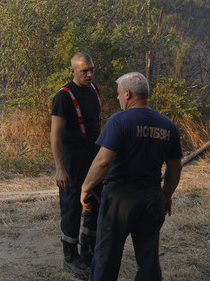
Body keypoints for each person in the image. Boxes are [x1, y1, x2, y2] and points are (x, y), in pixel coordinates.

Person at [80, 72, 183, 281]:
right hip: (152, 196)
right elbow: (175, 167)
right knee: (148, 258)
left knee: (106, 256)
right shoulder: (167, 125)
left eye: (118, 94)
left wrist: (86, 187)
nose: (118, 98)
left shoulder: (119, 120)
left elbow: (103, 162)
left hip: (120, 197)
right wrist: (166, 195)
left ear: (127, 94)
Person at [50, 52, 103, 279]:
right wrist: (60, 168)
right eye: (84, 71)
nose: (90, 74)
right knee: (72, 206)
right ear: (73, 71)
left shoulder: (94, 90)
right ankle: (70, 257)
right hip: (73, 158)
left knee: (94, 202)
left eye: (92, 69)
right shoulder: (63, 96)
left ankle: (88, 251)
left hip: (94, 155)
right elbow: (55, 135)